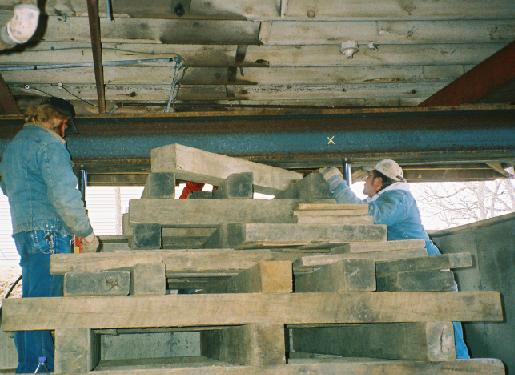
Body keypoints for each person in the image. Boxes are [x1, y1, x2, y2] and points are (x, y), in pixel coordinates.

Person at [320, 159, 470, 359]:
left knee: (446, 325)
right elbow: (359, 211)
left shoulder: (399, 198)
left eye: (369, 177)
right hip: (412, 266)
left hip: (427, 268)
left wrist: (337, 183)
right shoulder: (385, 200)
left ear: (379, 182)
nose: (365, 180)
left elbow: (364, 216)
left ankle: (464, 369)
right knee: (424, 328)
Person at [0, 98, 99, 373]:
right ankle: (36, 368)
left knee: (33, 301)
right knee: (43, 307)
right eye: (65, 126)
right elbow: (64, 194)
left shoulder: (13, 147)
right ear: (57, 120)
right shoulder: (50, 145)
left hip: (25, 232)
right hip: (49, 234)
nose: (64, 133)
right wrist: (86, 233)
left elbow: (9, 189)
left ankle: (37, 364)